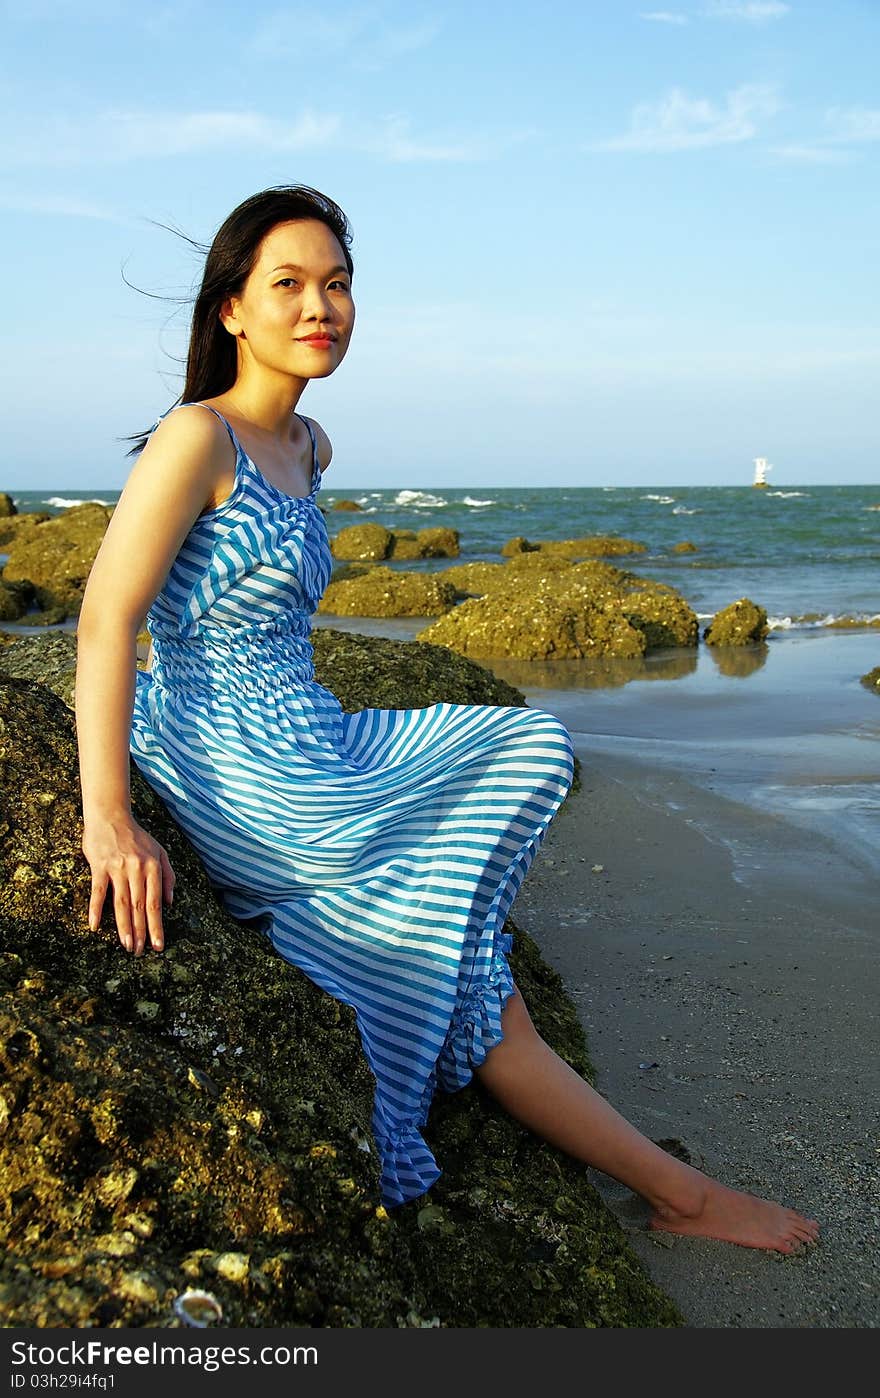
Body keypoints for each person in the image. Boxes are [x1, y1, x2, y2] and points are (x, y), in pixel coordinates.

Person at [75, 185, 818, 1252]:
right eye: (286, 284)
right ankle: (679, 1195)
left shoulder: (312, 445)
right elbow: (107, 620)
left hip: (320, 732)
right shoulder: (198, 439)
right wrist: (111, 814)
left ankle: (672, 1192)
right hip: (240, 765)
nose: (318, 306)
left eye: (336, 284)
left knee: (523, 750)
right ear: (231, 309)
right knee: (462, 943)